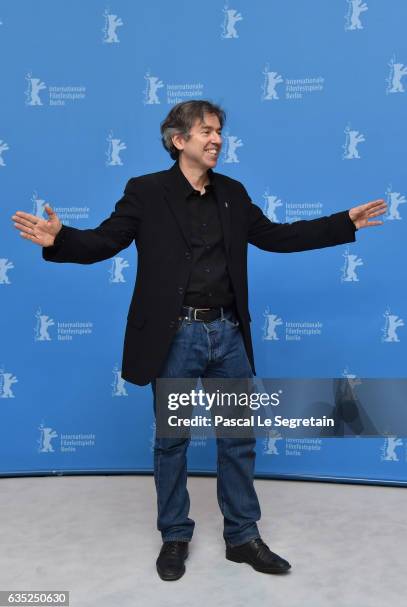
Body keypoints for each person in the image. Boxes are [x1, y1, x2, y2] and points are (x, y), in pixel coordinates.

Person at [12, 100, 386, 581]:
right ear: (179, 140)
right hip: (176, 339)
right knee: (172, 442)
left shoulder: (232, 192)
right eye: (206, 131)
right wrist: (60, 239)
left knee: (238, 439)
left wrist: (343, 223)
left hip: (228, 335)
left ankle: (243, 537)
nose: (217, 139)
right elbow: (106, 241)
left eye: (219, 132)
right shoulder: (145, 192)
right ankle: (174, 536)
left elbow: (275, 236)